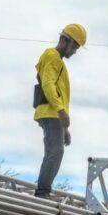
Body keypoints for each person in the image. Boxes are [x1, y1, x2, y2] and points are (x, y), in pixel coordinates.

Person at [33, 23, 86, 198]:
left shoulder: (57, 60)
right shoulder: (53, 56)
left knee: (52, 151)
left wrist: (65, 128)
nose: (74, 51)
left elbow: (56, 91)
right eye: (74, 47)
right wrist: (61, 111)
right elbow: (48, 85)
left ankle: (43, 189)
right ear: (64, 40)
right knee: (56, 151)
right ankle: (42, 192)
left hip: (52, 113)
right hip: (51, 112)